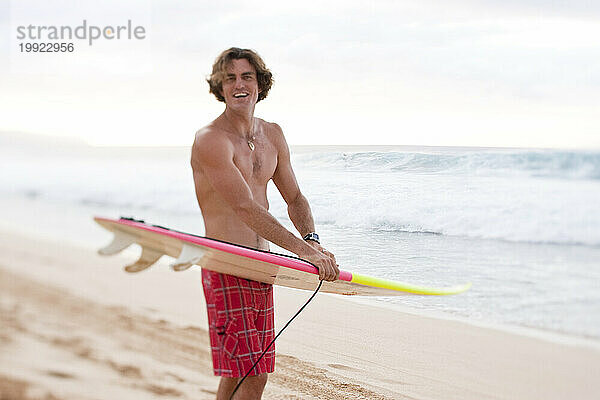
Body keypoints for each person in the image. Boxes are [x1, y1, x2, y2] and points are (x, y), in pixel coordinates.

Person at [190, 47, 339, 400]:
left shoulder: (272, 134)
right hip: (227, 263)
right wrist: (305, 254)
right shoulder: (211, 139)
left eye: (246, 77)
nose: (239, 84)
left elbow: (295, 198)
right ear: (220, 87)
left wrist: (313, 240)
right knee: (251, 375)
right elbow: (245, 207)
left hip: (263, 267)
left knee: (242, 373)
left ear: (260, 83)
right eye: (230, 78)